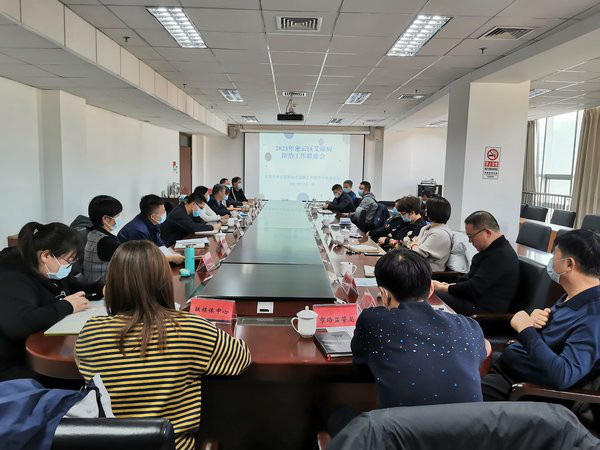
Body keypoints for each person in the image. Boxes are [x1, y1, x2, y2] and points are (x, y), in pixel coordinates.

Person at [76, 241, 251, 449]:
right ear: (164, 282)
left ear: (111, 285)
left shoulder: (90, 332)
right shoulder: (189, 328)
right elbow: (241, 358)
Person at [352, 248, 489, 408]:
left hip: (399, 424)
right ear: (431, 288)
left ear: (384, 293)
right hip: (469, 423)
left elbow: (361, 362)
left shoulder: (373, 320)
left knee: (339, 413)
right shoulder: (469, 326)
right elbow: (484, 350)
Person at [482, 229, 600, 400]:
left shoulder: (594, 317)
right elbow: (552, 342)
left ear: (569, 264)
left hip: (520, 388)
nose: (551, 262)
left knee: (452, 394)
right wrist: (536, 324)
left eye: (554, 256)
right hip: (511, 366)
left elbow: (563, 375)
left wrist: (526, 330)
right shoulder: (572, 295)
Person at [0, 222, 90, 381]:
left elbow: (75, 287)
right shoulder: (13, 277)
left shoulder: (48, 269)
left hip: (48, 343)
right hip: (18, 364)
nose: (70, 266)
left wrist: (105, 287)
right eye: (68, 260)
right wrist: (68, 306)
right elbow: (21, 323)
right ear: (46, 256)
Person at [433, 211, 519, 315]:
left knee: (431, 295)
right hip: (471, 301)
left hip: (483, 311)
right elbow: (470, 280)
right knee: (430, 293)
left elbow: (474, 288)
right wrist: (449, 285)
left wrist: (445, 288)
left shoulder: (501, 256)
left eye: (471, 236)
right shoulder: (492, 250)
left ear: (487, 233)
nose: (470, 241)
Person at [118, 195, 184, 264]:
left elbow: (160, 245)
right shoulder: (138, 231)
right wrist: (171, 258)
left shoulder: (152, 222)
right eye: (163, 211)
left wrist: (171, 254)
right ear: (153, 216)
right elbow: (146, 258)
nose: (165, 213)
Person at [83, 195, 123, 284]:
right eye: (118, 216)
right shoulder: (106, 242)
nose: (120, 218)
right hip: (102, 288)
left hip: (93, 284)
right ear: (106, 219)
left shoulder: (92, 233)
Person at [406, 196, 452, 272]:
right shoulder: (426, 228)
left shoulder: (440, 234)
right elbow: (414, 246)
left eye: (427, 209)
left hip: (428, 271)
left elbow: (418, 253)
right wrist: (415, 245)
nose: (425, 211)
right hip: (417, 266)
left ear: (433, 212)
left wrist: (414, 245)